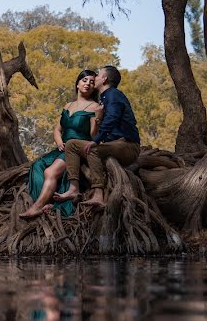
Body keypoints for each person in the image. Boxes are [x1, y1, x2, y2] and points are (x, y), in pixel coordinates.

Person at [53, 65, 140, 209]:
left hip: (127, 145)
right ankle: (73, 188)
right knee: (72, 144)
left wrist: (96, 141)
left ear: (104, 79)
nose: (95, 78)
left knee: (92, 149)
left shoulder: (112, 94)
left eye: (98, 76)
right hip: (114, 145)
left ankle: (98, 194)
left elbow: (112, 118)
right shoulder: (104, 98)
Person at [20, 70, 103, 219]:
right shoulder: (68, 105)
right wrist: (58, 141)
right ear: (77, 84)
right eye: (85, 80)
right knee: (38, 166)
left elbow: (94, 136)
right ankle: (49, 201)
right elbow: (58, 129)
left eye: (92, 82)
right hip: (62, 147)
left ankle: (37, 207)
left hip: (77, 149)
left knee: (50, 172)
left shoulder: (94, 107)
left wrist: (98, 119)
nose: (88, 84)